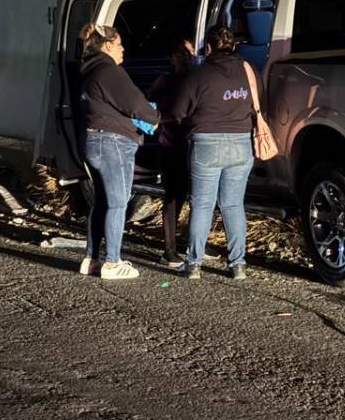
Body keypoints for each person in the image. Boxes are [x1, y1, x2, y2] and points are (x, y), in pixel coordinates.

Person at [171, 26, 256, 280]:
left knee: (203, 205)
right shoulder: (247, 71)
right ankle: (238, 264)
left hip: (207, 143)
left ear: (208, 47)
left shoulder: (199, 74)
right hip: (242, 143)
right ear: (232, 46)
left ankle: (194, 264)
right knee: (233, 205)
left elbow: (178, 111)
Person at [76, 23, 159, 280]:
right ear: (108, 45)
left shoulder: (89, 71)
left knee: (102, 203)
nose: (123, 49)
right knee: (117, 203)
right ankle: (112, 262)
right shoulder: (109, 71)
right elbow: (135, 103)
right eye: (120, 44)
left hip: (94, 141)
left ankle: (91, 259)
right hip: (113, 143)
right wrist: (154, 117)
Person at [147, 38, 195, 266]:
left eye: (189, 51)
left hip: (194, 145)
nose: (185, 56)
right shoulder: (165, 81)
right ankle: (169, 249)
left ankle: (192, 242)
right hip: (171, 145)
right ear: (171, 57)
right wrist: (163, 121)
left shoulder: (197, 78)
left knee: (196, 197)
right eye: (180, 52)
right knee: (173, 197)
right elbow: (147, 108)